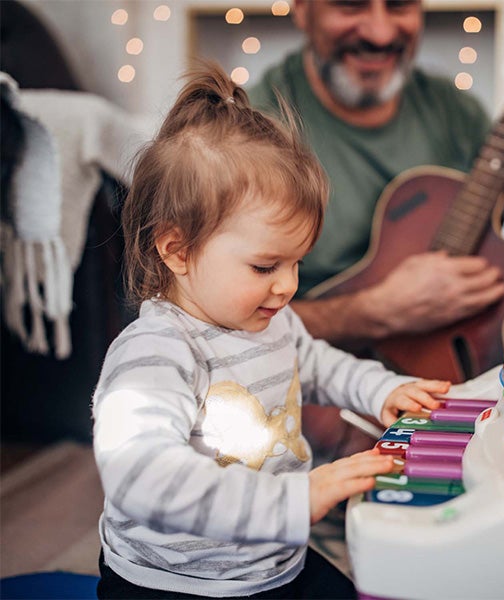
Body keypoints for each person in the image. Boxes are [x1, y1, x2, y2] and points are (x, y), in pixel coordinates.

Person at [91, 62, 450, 599]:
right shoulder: (155, 352)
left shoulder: (272, 319)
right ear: (177, 250)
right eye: (265, 267)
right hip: (180, 583)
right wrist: (296, 499)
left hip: (274, 557)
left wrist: (380, 391)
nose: (287, 287)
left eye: (297, 263)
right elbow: (138, 475)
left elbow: (317, 363)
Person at [248, 0, 504, 348]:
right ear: (302, 8)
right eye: (351, 6)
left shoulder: (453, 109)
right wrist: (375, 312)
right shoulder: (249, 130)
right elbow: (209, 314)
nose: (379, 33)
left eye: (399, 6)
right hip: (312, 376)